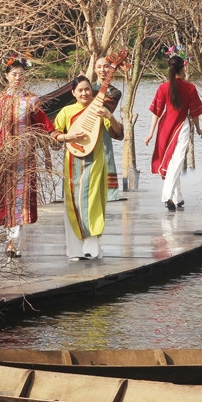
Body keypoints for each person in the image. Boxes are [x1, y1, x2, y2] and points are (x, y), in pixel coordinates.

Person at [0, 57, 54, 258]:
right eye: (14, 74)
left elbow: (41, 128)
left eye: (21, 74)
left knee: (19, 197)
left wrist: (46, 155)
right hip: (1, 155)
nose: (18, 78)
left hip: (23, 156)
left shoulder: (31, 100)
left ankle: (13, 243)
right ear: (6, 76)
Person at [51, 75, 122, 260]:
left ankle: (92, 248)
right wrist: (68, 137)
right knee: (73, 204)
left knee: (92, 203)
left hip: (95, 163)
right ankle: (75, 251)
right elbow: (54, 135)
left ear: (92, 91)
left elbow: (118, 133)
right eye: (80, 90)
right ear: (73, 93)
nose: (84, 93)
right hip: (72, 164)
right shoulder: (67, 111)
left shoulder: (99, 109)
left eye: (87, 89)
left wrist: (110, 116)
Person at [144, 50, 202, 212]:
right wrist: (198, 128)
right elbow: (194, 112)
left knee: (173, 162)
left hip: (165, 127)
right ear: (183, 68)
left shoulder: (163, 87)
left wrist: (150, 132)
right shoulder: (190, 88)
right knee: (176, 162)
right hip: (182, 126)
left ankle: (178, 198)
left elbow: (156, 111)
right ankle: (167, 197)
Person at [93, 56, 124, 201]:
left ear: (112, 69)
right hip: (85, 129)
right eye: (99, 67)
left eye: (106, 66)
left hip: (103, 130)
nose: (102, 70)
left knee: (106, 158)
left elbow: (104, 106)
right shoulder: (87, 88)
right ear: (94, 69)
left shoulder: (115, 93)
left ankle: (109, 195)